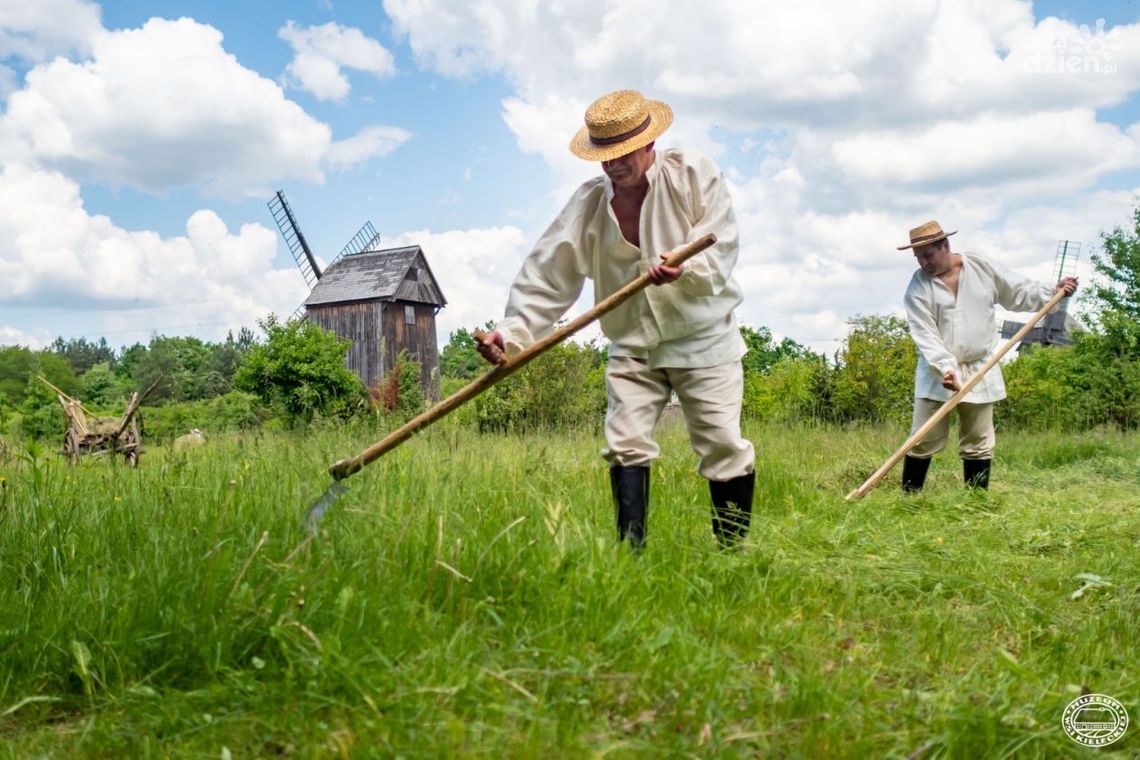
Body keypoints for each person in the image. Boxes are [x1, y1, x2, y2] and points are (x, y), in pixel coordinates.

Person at [476, 89, 755, 549]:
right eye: (604, 155)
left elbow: (720, 242)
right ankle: (632, 557)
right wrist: (508, 337)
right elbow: (546, 276)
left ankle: (732, 554)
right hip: (633, 346)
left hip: (703, 338)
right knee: (624, 443)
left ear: (648, 144)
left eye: (623, 153)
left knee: (722, 443)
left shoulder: (692, 174)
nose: (613, 165)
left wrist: (685, 269)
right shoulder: (587, 205)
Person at [898, 221, 1078, 491]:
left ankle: (977, 502)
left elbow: (1017, 290)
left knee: (979, 440)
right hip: (937, 371)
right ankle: (909, 500)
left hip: (981, 366)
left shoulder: (980, 267)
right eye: (919, 257)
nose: (923, 262)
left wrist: (1053, 292)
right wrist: (946, 370)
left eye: (928, 255)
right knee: (923, 437)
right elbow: (926, 336)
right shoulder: (918, 288)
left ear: (945, 246)